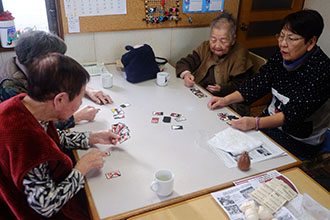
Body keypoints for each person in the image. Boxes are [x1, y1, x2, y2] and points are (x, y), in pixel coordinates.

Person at [0, 53, 120, 219]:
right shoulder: (28, 143)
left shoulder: (23, 105)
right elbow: (46, 206)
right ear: (60, 100)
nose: (80, 105)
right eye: (79, 99)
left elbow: (49, 139)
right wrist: (81, 168)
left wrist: (92, 137)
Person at [208, 9, 330, 159]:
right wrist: (225, 99)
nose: (283, 44)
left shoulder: (323, 71)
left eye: (291, 38)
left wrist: (255, 123)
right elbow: (258, 83)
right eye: (281, 36)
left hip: (298, 138)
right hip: (268, 123)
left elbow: (292, 115)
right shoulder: (281, 56)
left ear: (311, 42)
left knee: (249, 159)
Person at [0, 30, 113, 130]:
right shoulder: (10, 85)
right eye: (55, 59)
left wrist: (85, 90)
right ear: (39, 61)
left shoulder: (26, 63)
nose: (59, 63)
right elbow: (36, 125)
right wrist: (74, 117)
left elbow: (59, 79)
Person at [176, 11, 254, 115]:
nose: (217, 45)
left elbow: (242, 85)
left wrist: (222, 88)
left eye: (223, 41)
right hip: (202, 95)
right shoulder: (205, 47)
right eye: (213, 39)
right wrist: (186, 74)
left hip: (227, 103)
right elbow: (184, 62)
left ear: (233, 40)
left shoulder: (239, 54)